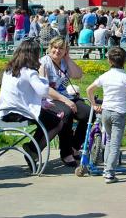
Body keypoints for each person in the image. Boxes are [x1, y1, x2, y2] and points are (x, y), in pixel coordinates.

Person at [0, 39, 63, 168]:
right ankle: (33, 149)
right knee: (56, 122)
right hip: (19, 112)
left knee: (47, 118)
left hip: (4, 111)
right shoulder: (29, 72)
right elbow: (43, 91)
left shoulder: (9, 69)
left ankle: (32, 148)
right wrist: (42, 74)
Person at [86, 47, 126, 184]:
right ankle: (109, 173)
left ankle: (106, 169)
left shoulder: (105, 76)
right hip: (119, 113)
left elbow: (89, 90)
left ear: (109, 61)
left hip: (105, 112)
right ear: (125, 61)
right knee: (115, 144)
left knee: (108, 140)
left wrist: (93, 104)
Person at [39, 37, 89, 166]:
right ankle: (66, 153)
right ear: (50, 48)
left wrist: (67, 59)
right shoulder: (44, 62)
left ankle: (74, 146)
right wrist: (66, 100)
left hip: (67, 96)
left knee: (88, 113)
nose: (57, 51)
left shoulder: (64, 62)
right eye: (55, 47)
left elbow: (78, 75)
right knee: (67, 113)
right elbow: (45, 89)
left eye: (61, 48)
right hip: (51, 99)